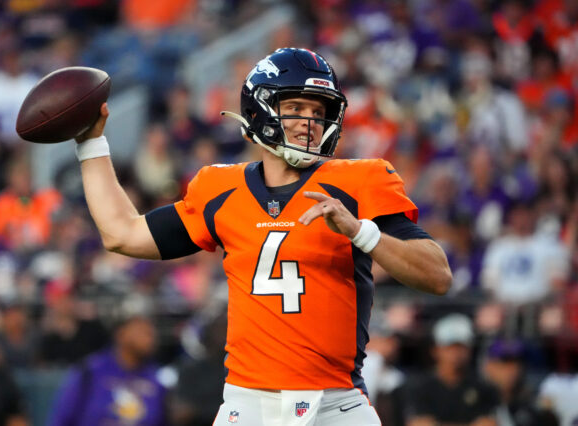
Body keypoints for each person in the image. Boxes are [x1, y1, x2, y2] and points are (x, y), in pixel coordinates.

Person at [72, 47, 452, 425]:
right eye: (298, 108)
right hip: (248, 405)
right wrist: (91, 144)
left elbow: (437, 276)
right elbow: (122, 234)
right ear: (260, 109)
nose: (310, 122)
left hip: (336, 405)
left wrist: (361, 232)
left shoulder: (360, 180)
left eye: (319, 113)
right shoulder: (218, 187)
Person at [49, 298, 166, 425]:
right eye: (142, 330)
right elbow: (60, 420)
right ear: (121, 333)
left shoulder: (156, 378)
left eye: (151, 331)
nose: (150, 337)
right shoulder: (89, 373)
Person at [404, 313, 500, 426]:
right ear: (436, 350)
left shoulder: (484, 388)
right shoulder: (419, 387)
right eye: (450, 347)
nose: (456, 354)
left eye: (461, 347)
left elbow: (489, 424)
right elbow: (418, 424)